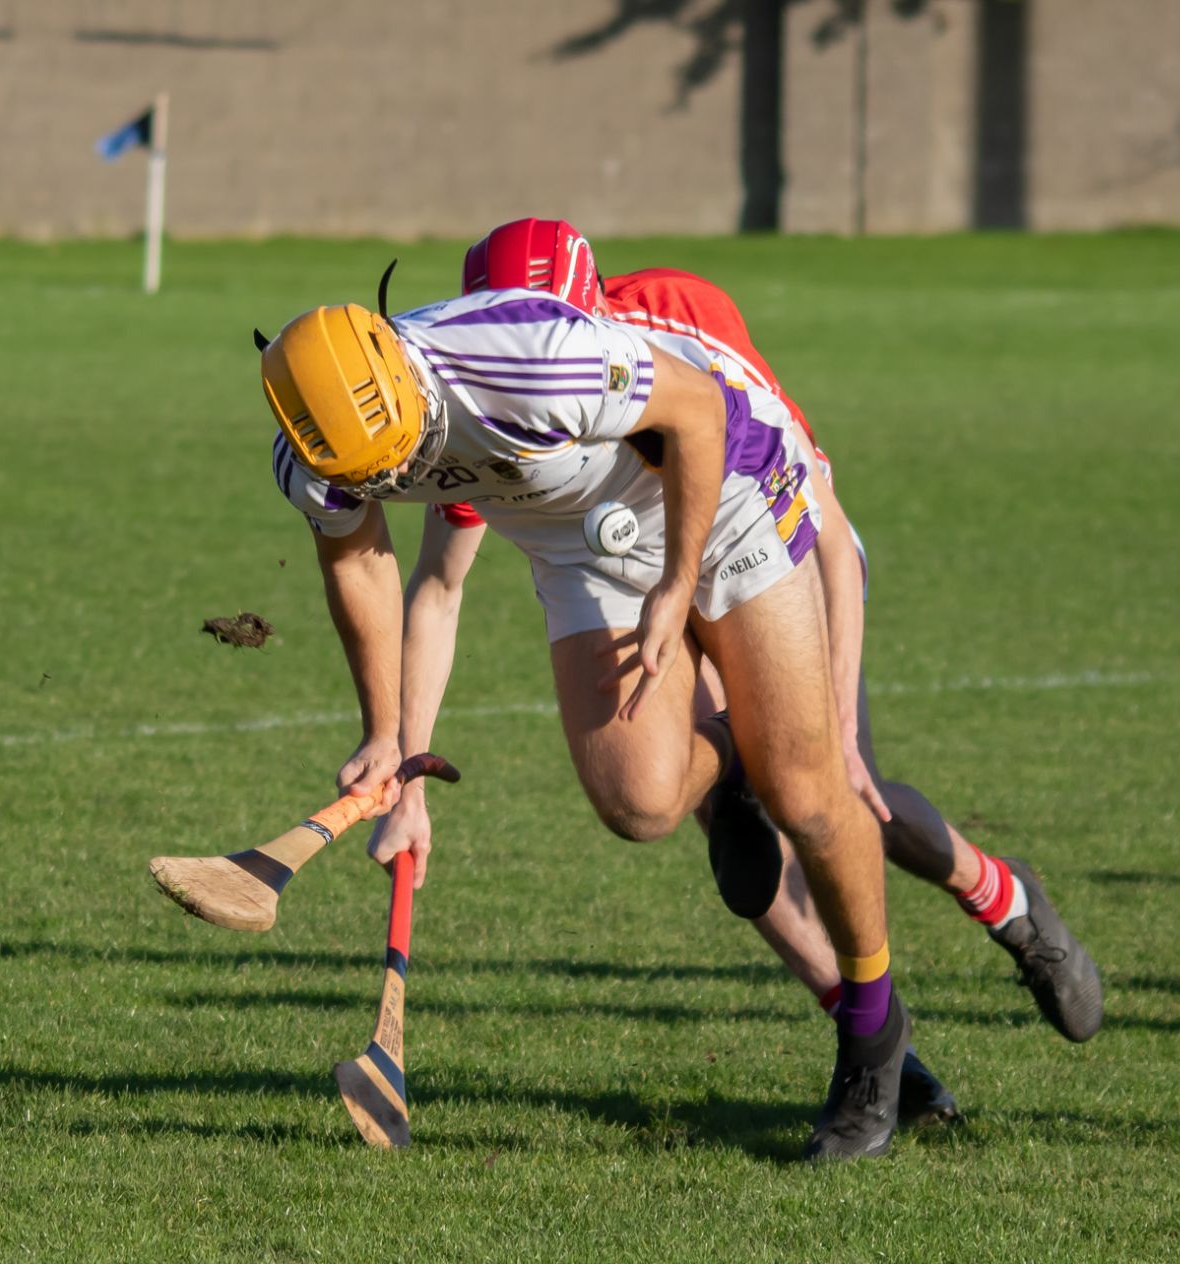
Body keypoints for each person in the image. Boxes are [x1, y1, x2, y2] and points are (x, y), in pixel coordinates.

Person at [370, 218, 1103, 1057]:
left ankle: (1006, 901)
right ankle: (868, 1033)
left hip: (772, 535)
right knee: (707, 813)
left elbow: (822, 520)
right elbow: (439, 584)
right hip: (634, 580)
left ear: (592, 312)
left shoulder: (677, 320)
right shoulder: (498, 399)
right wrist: (408, 776)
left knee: (844, 794)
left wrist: (827, 700)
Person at [260, 279, 910, 1159]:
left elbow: (699, 413)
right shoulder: (316, 455)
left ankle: (872, 1037)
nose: (400, 482)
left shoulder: (529, 358)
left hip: (726, 489)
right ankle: (739, 755)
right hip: (580, 539)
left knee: (810, 794)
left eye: (405, 460)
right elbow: (363, 563)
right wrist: (386, 734)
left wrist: (678, 590)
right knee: (639, 804)